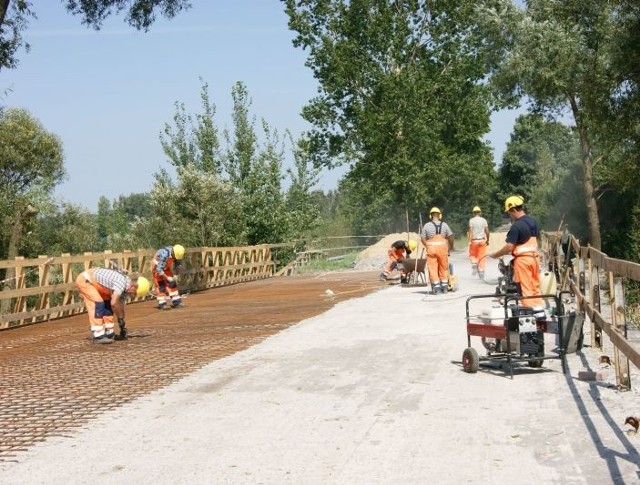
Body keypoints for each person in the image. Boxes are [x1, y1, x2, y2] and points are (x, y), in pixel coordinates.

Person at [489, 195, 543, 308]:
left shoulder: (517, 226)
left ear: (513, 209)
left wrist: (495, 255)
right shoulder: (534, 221)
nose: (510, 215)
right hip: (535, 259)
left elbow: (509, 247)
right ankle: (539, 312)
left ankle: (530, 314)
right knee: (535, 286)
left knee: (525, 289)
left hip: (523, 262)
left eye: (509, 212)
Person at [75, 268, 150, 344]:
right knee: (98, 302)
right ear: (133, 287)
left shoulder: (125, 290)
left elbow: (120, 306)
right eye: (134, 293)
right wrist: (120, 319)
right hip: (86, 280)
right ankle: (98, 335)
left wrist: (122, 324)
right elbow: (114, 303)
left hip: (96, 283)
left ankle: (109, 333)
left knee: (107, 303)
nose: (132, 296)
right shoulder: (122, 282)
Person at [420, 207, 454, 294]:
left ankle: (436, 288)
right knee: (444, 267)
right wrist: (450, 247)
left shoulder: (427, 225)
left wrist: (427, 245)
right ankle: (445, 287)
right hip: (443, 249)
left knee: (433, 268)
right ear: (440, 215)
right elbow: (450, 237)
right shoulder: (445, 225)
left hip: (431, 249)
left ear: (430, 216)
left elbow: (422, 238)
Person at [151, 244, 185, 309]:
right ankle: (162, 303)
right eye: (174, 256)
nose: (175, 258)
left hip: (166, 266)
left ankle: (176, 302)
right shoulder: (164, 254)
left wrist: (176, 275)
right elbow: (159, 269)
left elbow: (178, 263)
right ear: (173, 253)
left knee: (172, 283)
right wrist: (167, 278)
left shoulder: (177, 252)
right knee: (161, 284)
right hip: (157, 267)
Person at [467, 205, 490, 279]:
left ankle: (474, 262)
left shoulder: (471, 220)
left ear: (473, 213)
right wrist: (488, 240)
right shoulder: (484, 220)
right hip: (482, 240)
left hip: (474, 241)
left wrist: (469, 241)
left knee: (472, 255)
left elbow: (470, 231)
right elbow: (487, 231)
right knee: (482, 257)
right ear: (480, 212)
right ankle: (481, 271)